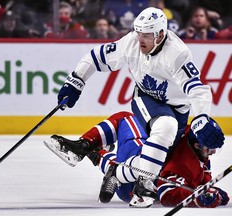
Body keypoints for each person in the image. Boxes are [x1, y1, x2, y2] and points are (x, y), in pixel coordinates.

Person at [56, 7, 222, 207]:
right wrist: (76, 80)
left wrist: (202, 118)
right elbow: (96, 56)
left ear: (160, 35)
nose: (139, 39)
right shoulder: (131, 42)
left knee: (159, 155)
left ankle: (115, 169)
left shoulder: (177, 53)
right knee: (165, 125)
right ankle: (145, 185)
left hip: (179, 110)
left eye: (146, 35)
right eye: (138, 32)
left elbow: (198, 89)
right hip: (145, 98)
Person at [44, 111, 229, 208]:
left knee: (126, 118)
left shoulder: (186, 154)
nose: (212, 152)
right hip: (129, 192)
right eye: (210, 148)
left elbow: (166, 193)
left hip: (139, 184)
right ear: (197, 145)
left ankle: (85, 147)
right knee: (140, 154)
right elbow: (187, 184)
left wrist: (203, 196)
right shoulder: (194, 157)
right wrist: (206, 194)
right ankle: (98, 155)